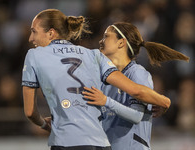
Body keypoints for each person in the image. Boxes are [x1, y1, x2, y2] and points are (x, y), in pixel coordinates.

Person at [22, 9, 171, 150]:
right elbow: (95, 105)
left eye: (34, 31)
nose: (31, 38)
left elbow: (30, 112)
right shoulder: (94, 58)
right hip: (102, 143)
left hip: (71, 142)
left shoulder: (137, 72)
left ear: (51, 33)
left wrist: (163, 101)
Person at [82, 22, 189, 150]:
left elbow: (136, 116)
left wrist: (106, 101)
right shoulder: (104, 77)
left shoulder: (137, 73)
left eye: (106, 36)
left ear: (121, 42)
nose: (101, 41)